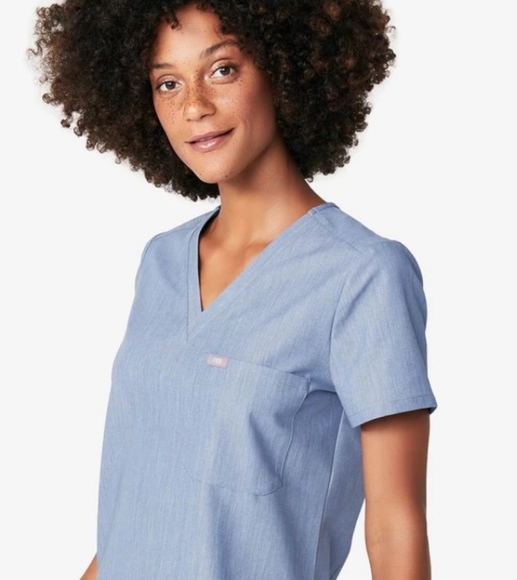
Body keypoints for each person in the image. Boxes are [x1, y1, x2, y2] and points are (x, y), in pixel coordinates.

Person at [31, 1, 438, 578]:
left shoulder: (363, 275)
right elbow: (139, 510)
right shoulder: (161, 262)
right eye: (168, 83)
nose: (194, 106)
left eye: (222, 69)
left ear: (283, 66)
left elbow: (396, 530)